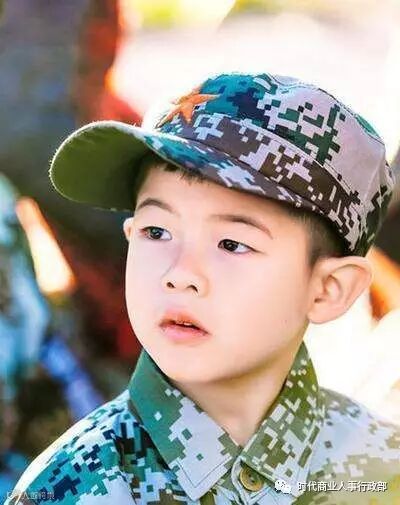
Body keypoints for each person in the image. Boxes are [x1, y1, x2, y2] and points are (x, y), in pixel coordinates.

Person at [6, 72, 400, 504]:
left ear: (328, 289)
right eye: (156, 232)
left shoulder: (382, 471)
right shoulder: (72, 487)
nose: (180, 273)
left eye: (231, 244)